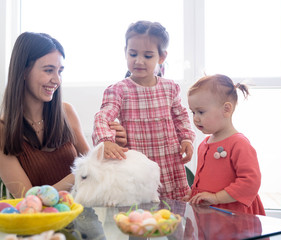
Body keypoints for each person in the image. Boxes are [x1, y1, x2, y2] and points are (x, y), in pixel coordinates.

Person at [0, 32, 127, 198]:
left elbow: (95, 170)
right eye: (48, 70)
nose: (57, 80)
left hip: (83, 216)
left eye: (60, 71)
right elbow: (27, 200)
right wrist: (82, 172)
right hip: (41, 222)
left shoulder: (67, 113)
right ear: (23, 71)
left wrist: (112, 146)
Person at [92, 21, 196, 200]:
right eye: (133, 54)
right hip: (139, 167)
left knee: (176, 216)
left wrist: (186, 138)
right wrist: (106, 141)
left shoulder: (170, 88)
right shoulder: (118, 90)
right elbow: (103, 116)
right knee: (141, 211)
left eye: (148, 56)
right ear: (125, 52)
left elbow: (181, 116)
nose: (138, 61)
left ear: (161, 57)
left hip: (170, 162)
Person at [183, 74, 265, 215]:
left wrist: (216, 198)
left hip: (235, 214)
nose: (195, 118)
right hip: (212, 213)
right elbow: (205, 179)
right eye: (193, 112)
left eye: (201, 112)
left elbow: (250, 181)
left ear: (226, 109)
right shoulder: (204, 144)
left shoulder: (239, 144)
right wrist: (194, 194)